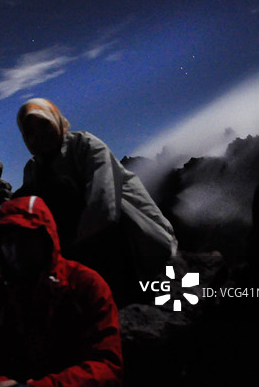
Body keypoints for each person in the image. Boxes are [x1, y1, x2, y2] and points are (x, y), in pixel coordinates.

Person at [0, 195, 122, 387]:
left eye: (25, 239)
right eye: (7, 241)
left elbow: (107, 365)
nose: (14, 250)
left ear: (45, 238)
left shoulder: (85, 283)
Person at [14, 98, 177, 303]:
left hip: (132, 233)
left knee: (61, 188)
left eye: (44, 124)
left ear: (56, 120)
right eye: (30, 132)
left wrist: (65, 254)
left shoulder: (86, 145)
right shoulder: (33, 169)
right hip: (81, 245)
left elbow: (104, 204)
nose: (39, 135)